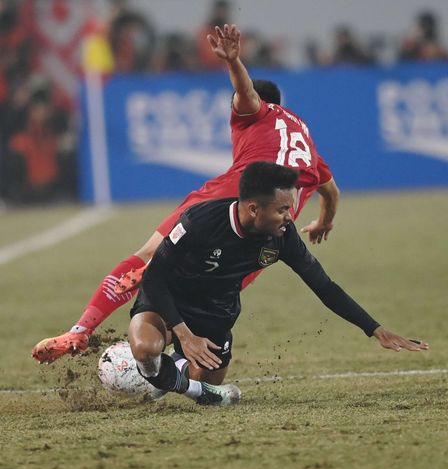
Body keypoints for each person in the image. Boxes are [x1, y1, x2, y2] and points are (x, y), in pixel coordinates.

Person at [32, 24, 340, 363]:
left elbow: (246, 94)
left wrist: (233, 62)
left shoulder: (255, 114)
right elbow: (330, 191)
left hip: (232, 192)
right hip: (270, 224)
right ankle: (174, 359)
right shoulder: (306, 146)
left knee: (149, 255)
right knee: (212, 290)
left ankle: (82, 330)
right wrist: (324, 223)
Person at [129, 162, 428, 405]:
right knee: (145, 348)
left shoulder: (281, 237)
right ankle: (171, 370)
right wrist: (182, 332)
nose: (290, 217)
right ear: (254, 209)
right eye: (283, 210)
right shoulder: (200, 221)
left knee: (207, 392)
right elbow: (154, 277)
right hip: (167, 300)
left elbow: (324, 285)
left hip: (216, 315)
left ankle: (177, 370)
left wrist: (375, 328)